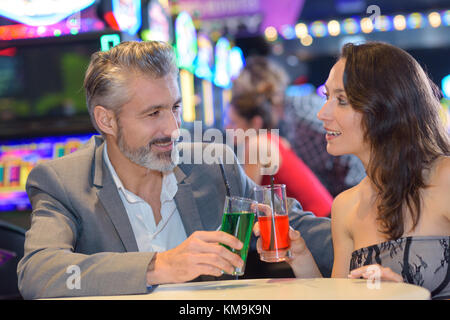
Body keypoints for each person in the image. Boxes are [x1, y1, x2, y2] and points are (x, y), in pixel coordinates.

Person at [17, 41, 333, 299]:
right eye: (154, 113)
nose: (173, 128)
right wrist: (160, 264)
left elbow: (301, 229)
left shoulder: (215, 164)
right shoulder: (64, 181)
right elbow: (39, 273)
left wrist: (377, 251)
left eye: (175, 108)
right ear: (106, 120)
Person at [262, 41, 449, 299]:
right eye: (327, 97)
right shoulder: (345, 206)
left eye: (342, 100)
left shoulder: (445, 178)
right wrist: (302, 258)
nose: (322, 113)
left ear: (385, 108)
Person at [232, 55, 366, 198]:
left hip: (355, 188)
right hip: (342, 193)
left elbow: (351, 146)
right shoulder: (289, 117)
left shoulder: (300, 115)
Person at [225, 90, 333, 217]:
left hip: (317, 221)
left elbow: (245, 201)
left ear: (256, 122)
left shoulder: (258, 144)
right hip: (325, 214)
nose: (227, 128)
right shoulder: (275, 139)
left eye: (233, 123)